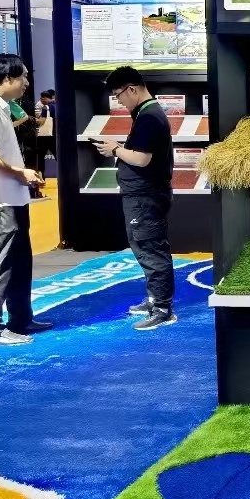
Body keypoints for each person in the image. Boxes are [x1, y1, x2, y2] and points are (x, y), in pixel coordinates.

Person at [0, 55, 48, 346]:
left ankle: (20, 318)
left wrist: (20, 175)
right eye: (23, 76)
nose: (26, 83)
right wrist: (19, 171)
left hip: (12, 195)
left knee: (18, 261)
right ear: (7, 78)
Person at [95, 66, 176, 329]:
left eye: (118, 95)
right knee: (146, 247)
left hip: (145, 196)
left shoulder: (149, 116)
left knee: (150, 249)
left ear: (131, 89)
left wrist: (115, 149)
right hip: (143, 195)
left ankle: (162, 308)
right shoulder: (146, 113)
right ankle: (155, 299)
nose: (119, 101)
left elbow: (141, 159)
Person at [36, 89, 57, 164]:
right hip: (55, 135)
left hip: (45, 136)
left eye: (42, 98)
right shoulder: (57, 106)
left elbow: (41, 121)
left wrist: (33, 119)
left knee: (40, 156)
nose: (41, 100)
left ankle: (40, 171)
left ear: (45, 98)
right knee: (57, 154)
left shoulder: (46, 107)